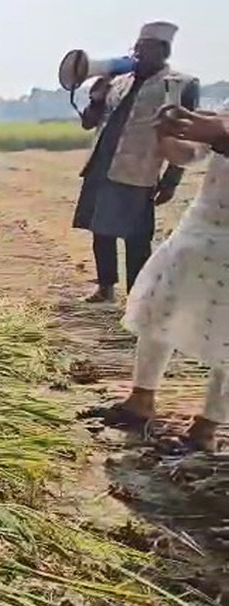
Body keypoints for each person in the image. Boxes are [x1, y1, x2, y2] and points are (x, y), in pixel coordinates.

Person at [101, 107, 229, 451]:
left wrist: (218, 132)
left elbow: (220, 135)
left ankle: (207, 427)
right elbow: (188, 154)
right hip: (200, 224)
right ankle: (141, 398)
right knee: (160, 303)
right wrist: (167, 134)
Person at [73, 21, 200, 304]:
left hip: (139, 171)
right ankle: (105, 287)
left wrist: (171, 180)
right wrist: (95, 98)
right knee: (100, 230)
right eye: (138, 47)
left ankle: (138, 297)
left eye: (147, 48)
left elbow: (184, 136)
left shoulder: (180, 85)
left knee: (136, 238)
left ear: (163, 52)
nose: (139, 53)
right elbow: (89, 122)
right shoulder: (118, 82)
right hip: (101, 166)